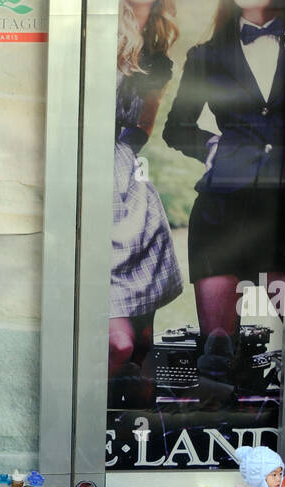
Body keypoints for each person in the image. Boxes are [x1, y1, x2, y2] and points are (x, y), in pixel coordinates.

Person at [162, 0, 285, 377]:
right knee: (217, 354)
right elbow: (177, 128)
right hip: (222, 207)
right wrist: (213, 147)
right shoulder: (205, 55)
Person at [108, 0, 184, 408]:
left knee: (142, 341)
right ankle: (77, 423)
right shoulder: (97, 30)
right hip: (93, 180)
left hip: (131, 190)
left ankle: (132, 429)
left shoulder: (157, 55)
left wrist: (119, 166)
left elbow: (143, 128)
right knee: (117, 342)